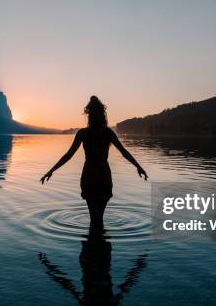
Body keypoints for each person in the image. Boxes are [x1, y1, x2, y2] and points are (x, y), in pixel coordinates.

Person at [40, 96, 148, 227]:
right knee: (99, 218)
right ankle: (99, 242)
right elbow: (124, 152)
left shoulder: (84, 133)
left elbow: (68, 155)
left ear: (89, 115)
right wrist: (138, 167)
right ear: (103, 114)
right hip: (103, 174)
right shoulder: (107, 133)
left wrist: (51, 170)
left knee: (93, 218)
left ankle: (92, 244)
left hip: (90, 174)